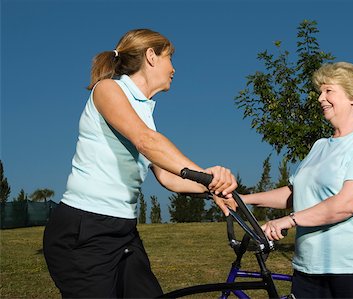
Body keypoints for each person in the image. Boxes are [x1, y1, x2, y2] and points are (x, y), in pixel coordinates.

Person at [43, 28, 237, 298]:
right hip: (84, 231)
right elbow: (146, 141)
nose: (174, 68)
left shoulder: (145, 110)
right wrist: (206, 174)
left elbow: (169, 176)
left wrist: (213, 188)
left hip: (123, 231)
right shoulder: (108, 89)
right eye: (170, 58)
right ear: (151, 56)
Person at [238, 62, 353, 298]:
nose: (320, 98)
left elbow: (347, 204)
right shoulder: (320, 146)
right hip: (310, 267)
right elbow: (295, 193)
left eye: (328, 91)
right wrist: (242, 199)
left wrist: (288, 221)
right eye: (319, 92)